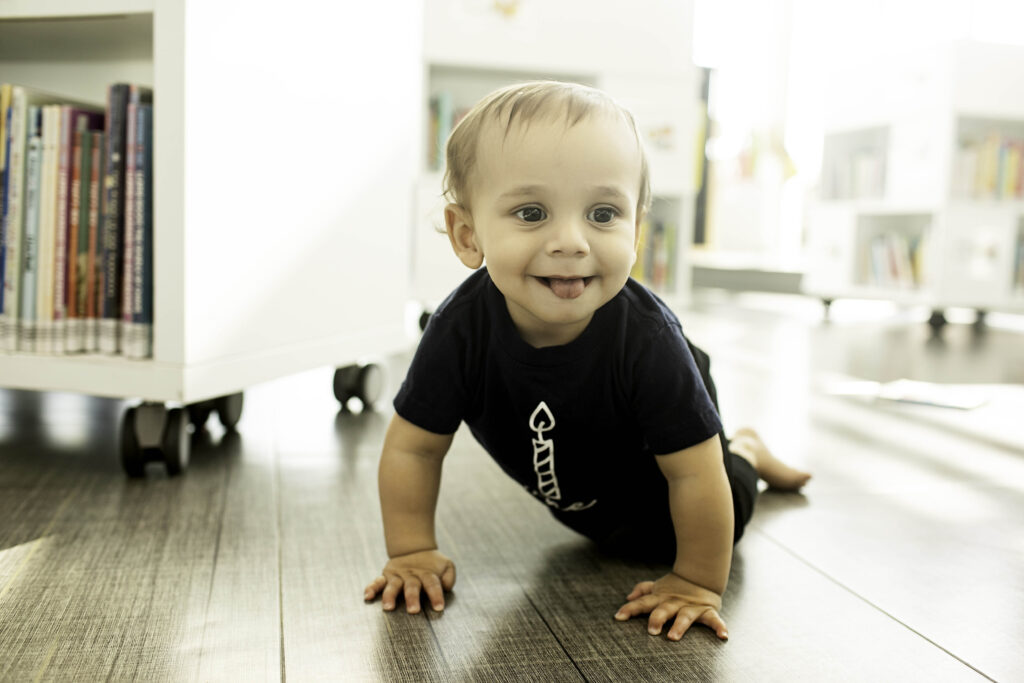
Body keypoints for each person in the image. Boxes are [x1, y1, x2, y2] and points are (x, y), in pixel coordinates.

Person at [363, 81, 811, 642]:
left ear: (637, 231)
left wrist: (695, 583)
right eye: (531, 213)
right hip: (584, 504)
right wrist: (412, 551)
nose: (571, 241)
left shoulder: (646, 339)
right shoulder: (459, 330)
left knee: (715, 510)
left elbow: (695, 474)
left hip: (678, 481)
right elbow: (414, 446)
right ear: (467, 234)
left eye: (602, 213)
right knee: (611, 537)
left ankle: (745, 450)